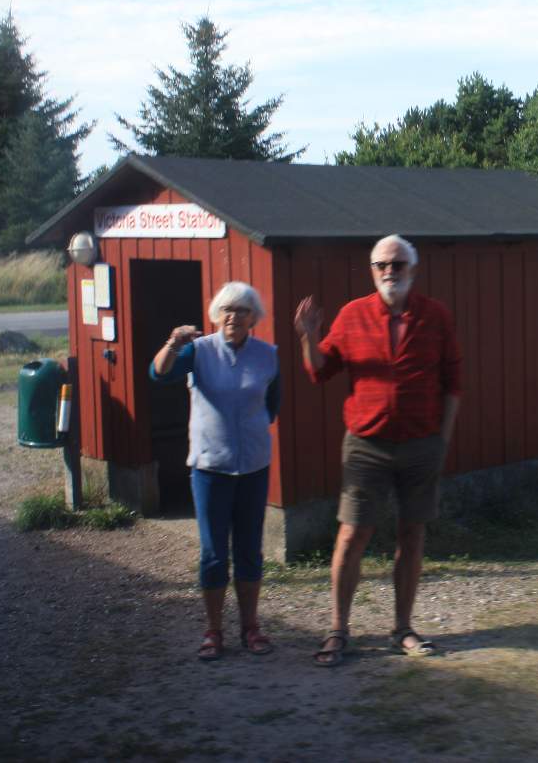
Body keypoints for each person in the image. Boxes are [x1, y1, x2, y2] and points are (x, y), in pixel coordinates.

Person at [294, 234, 462, 668]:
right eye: (380, 264)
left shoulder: (436, 316)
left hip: (421, 446)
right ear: (372, 271)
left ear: (412, 269)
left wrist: (440, 441)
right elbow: (320, 371)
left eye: (397, 264)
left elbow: (453, 385)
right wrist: (308, 336)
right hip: (366, 446)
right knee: (351, 535)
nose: (389, 271)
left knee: (412, 534)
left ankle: (402, 628)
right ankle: (338, 630)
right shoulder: (352, 316)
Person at [150, 281, 280, 661]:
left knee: (249, 552)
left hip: (253, 467)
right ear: (215, 315)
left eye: (242, 310)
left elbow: (272, 405)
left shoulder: (268, 355)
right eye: (227, 309)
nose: (233, 317)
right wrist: (173, 344)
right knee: (212, 554)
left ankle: (251, 627)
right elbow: (158, 374)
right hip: (210, 467)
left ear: (254, 317)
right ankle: (213, 630)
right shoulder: (199, 352)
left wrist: (248, 432)